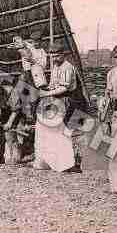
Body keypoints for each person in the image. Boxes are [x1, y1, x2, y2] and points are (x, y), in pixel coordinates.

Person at [35, 42, 79, 171]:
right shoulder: (55, 66)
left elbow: (64, 88)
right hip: (54, 99)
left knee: (62, 129)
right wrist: (46, 89)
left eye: (57, 55)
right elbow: (53, 84)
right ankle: (53, 160)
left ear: (63, 55)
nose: (54, 58)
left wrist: (46, 93)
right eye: (52, 56)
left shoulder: (67, 67)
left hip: (65, 99)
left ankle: (66, 163)